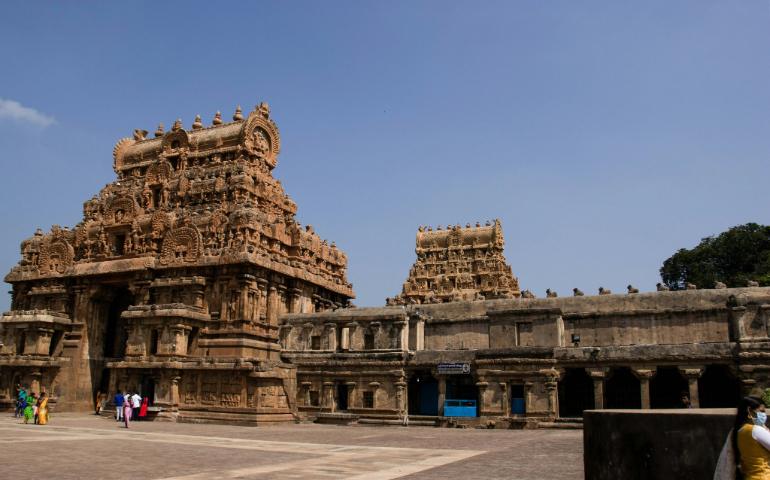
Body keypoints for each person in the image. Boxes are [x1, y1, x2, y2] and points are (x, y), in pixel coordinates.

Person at [733, 396, 770, 479]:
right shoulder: (757, 430)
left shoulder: (739, 431)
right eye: (761, 411)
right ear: (749, 410)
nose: (764, 415)